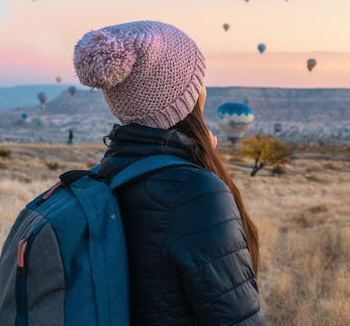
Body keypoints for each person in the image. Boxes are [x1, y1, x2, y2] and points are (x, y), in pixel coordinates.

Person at [73, 20, 264, 325]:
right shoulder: (194, 191)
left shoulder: (108, 174)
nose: (203, 89)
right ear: (187, 97)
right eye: (198, 81)